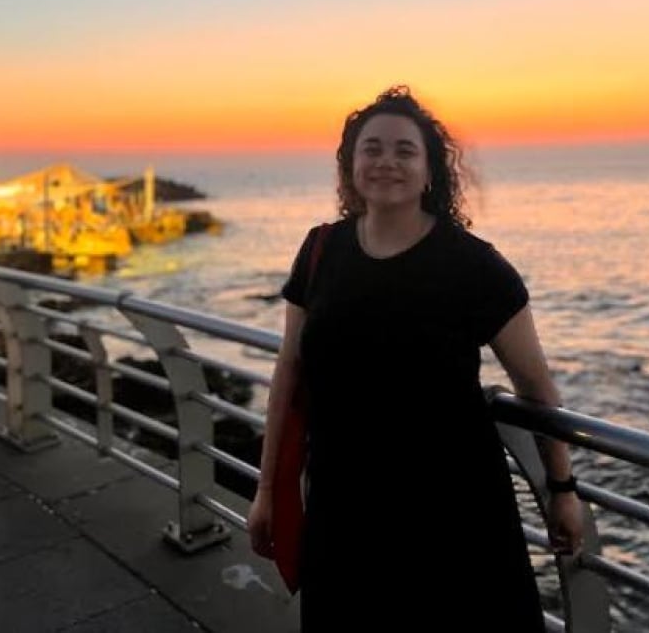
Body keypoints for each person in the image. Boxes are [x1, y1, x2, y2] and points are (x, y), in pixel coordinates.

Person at [248, 85, 583, 631]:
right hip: (343, 506)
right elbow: (288, 372)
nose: (386, 161)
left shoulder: (475, 267)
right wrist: (268, 492)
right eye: (371, 148)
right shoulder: (320, 251)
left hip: (452, 513)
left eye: (405, 150)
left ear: (430, 171)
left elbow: (537, 390)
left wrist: (562, 490)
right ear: (350, 165)